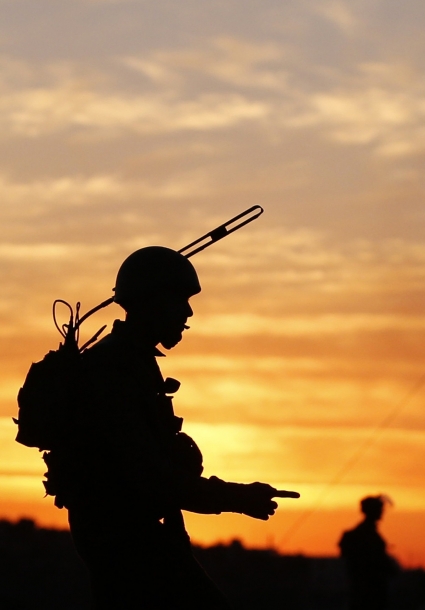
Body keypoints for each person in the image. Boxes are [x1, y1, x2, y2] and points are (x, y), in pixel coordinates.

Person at [47, 246, 299, 609]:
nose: (188, 312)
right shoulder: (113, 372)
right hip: (125, 546)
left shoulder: (131, 364)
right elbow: (148, 475)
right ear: (150, 301)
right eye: (179, 299)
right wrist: (237, 498)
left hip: (136, 541)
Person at [340, 495, 400, 610]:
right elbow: (375, 560)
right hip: (369, 591)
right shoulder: (366, 534)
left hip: (366, 589)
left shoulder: (364, 533)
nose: (382, 511)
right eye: (379, 508)